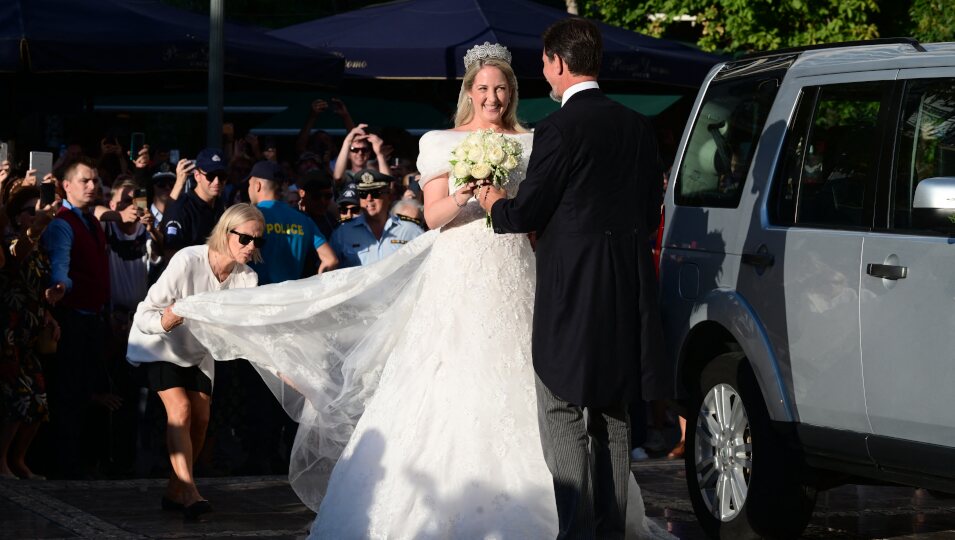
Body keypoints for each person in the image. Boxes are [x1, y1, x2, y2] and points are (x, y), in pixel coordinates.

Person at [172, 41, 668, 539]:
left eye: (500, 88)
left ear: (513, 92)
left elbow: (540, 212)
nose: (492, 98)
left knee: (533, 374)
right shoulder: (440, 142)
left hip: (519, 268)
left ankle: (572, 511)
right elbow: (431, 218)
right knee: (447, 376)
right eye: (483, 89)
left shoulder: (533, 141)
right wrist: (465, 192)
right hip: (459, 271)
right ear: (468, 92)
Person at [478, 19, 670, 538]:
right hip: (626, 286)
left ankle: (577, 531)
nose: (543, 72)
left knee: (560, 405)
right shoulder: (637, 126)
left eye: (543, 63)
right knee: (612, 410)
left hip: (572, 289)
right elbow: (649, 206)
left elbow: (528, 211)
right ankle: (607, 531)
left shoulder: (558, 128)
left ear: (559, 63)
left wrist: (494, 203)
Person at [126, 204, 263, 518]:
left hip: (199, 354)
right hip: (160, 344)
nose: (251, 246)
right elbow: (146, 311)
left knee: (201, 419)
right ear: (226, 233)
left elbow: (246, 329)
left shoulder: (247, 279)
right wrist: (166, 320)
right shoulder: (188, 260)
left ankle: (175, 490)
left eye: (258, 241)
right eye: (245, 239)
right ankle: (190, 492)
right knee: (181, 410)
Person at [41, 157, 112, 479]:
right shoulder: (62, 222)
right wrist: (61, 285)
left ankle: (86, 460)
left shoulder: (92, 222)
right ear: (66, 185)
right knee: (68, 394)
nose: (92, 185)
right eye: (84, 180)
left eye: (95, 180)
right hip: (71, 320)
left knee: (89, 392)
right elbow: (60, 264)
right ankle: (64, 465)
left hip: (92, 320)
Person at [0, 186, 58, 480]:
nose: (37, 215)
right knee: (16, 399)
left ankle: (19, 459)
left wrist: (48, 312)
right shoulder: (11, 241)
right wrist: (36, 228)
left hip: (32, 334)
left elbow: (37, 285)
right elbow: (16, 256)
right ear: (17, 216)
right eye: (30, 212)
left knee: (38, 400)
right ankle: (2, 463)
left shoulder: (41, 248)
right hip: (9, 335)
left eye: (40, 210)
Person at [328, 169, 423, 268]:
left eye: (375, 193)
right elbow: (330, 272)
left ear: (389, 196)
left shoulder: (411, 230)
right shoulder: (343, 233)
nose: (369, 199)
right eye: (363, 194)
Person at [160, 148, 226, 261]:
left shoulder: (222, 206)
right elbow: (170, 255)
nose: (217, 181)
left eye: (222, 176)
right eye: (210, 176)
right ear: (197, 176)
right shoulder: (181, 208)